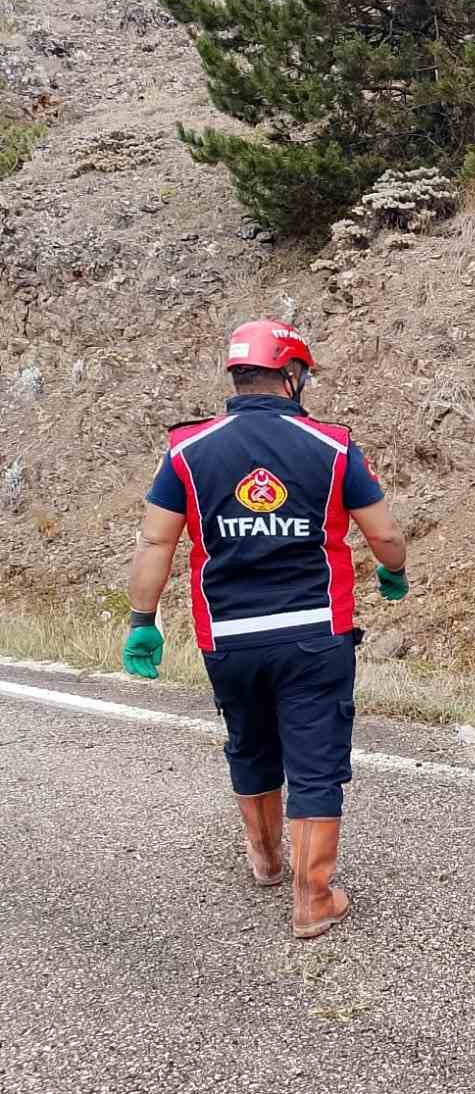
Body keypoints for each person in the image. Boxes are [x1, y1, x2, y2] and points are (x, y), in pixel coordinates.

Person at [121, 319, 410, 939]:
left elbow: (155, 542)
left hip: (227, 636)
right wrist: (394, 571)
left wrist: (142, 621)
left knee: (250, 744)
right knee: (316, 759)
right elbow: (382, 533)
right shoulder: (331, 446)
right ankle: (314, 898)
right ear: (292, 374)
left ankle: (267, 861)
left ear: (237, 375)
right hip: (314, 632)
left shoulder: (186, 450)